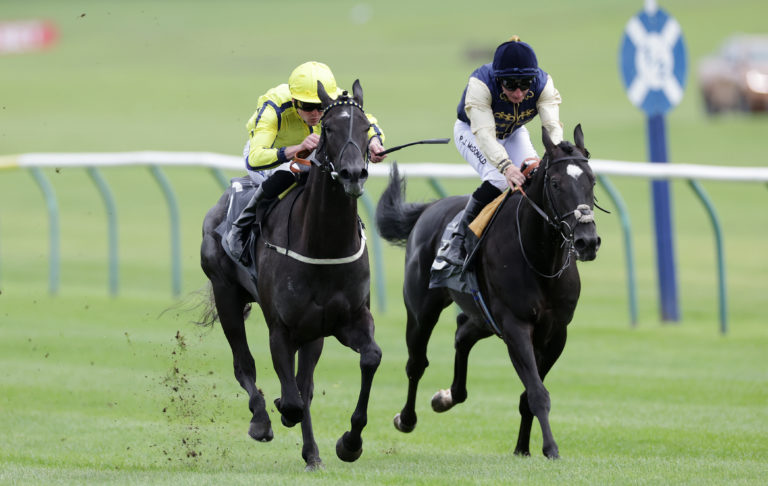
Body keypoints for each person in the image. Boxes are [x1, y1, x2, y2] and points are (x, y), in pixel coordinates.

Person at [226, 61, 386, 262]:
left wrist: (374, 141)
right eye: (308, 107)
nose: (316, 114)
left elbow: (365, 119)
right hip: (274, 157)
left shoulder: (334, 98)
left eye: (320, 107)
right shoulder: (273, 106)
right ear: (294, 101)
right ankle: (241, 226)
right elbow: (256, 157)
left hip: (312, 155)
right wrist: (297, 149)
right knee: (290, 171)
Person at [438, 36, 564, 266]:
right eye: (510, 85)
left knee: (536, 174)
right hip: (472, 132)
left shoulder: (544, 84)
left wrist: (554, 158)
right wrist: (506, 166)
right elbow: (485, 135)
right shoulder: (481, 84)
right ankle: (457, 239)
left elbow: (553, 128)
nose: (518, 93)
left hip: (513, 132)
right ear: (498, 80)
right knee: (499, 178)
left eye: (525, 85)